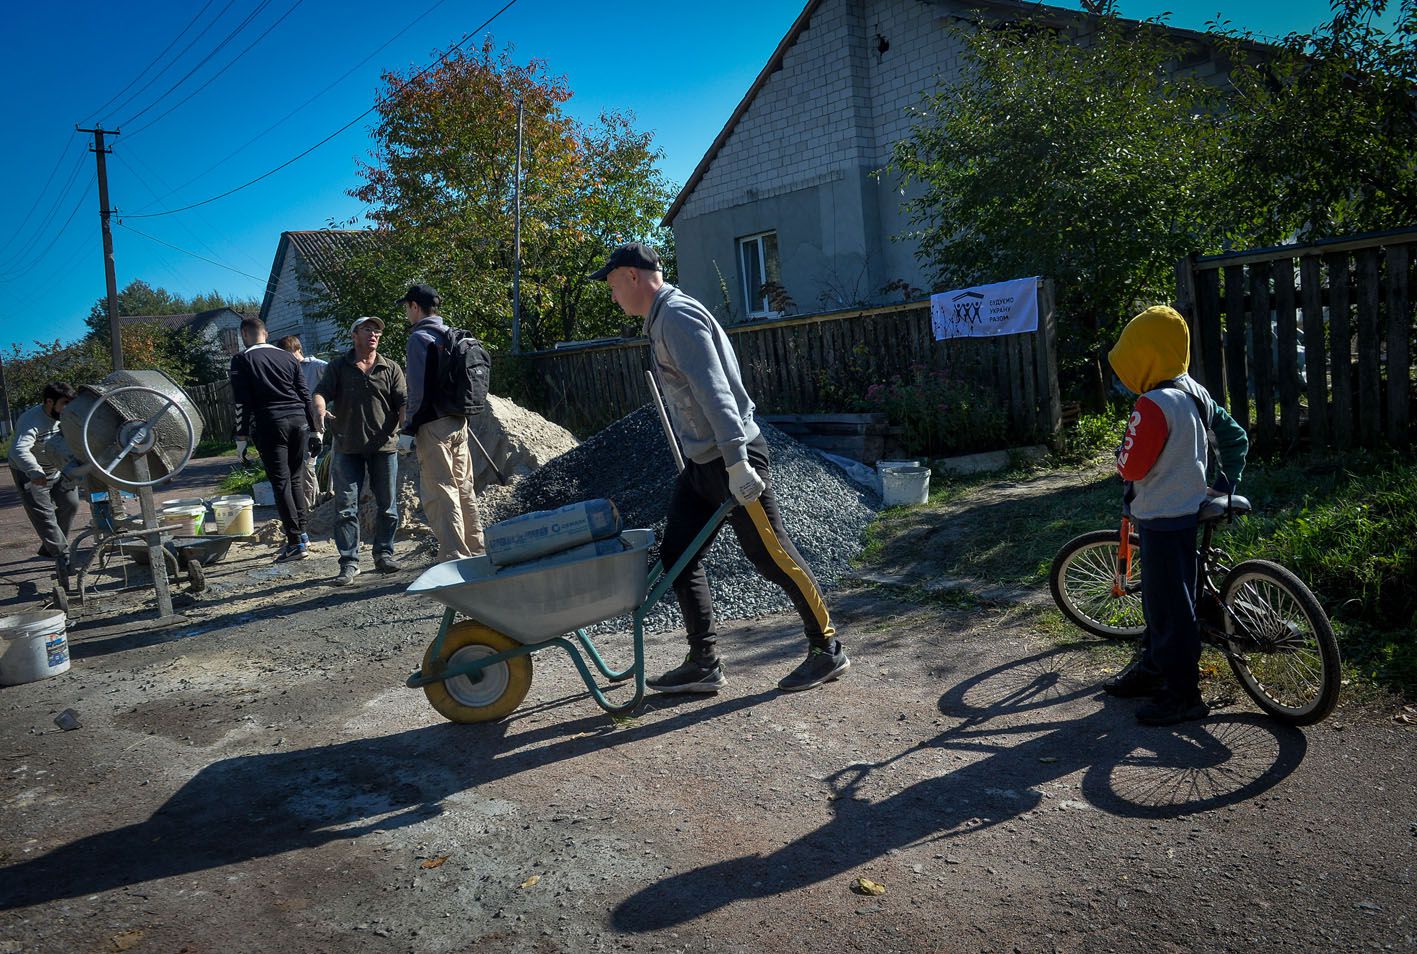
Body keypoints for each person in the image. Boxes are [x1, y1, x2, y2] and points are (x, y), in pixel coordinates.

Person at [591, 242, 849, 694]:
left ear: (633, 276)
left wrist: (737, 462)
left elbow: (716, 395)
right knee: (678, 555)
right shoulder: (662, 320)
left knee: (772, 557)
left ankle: (827, 648)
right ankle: (704, 662)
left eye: (613, 286)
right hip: (702, 465)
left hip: (733, 460)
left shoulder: (677, 317)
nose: (613, 296)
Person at [1103, 305, 1248, 726]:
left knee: (1169, 607)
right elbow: (1234, 438)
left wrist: (1120, 458)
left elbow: (1131, 468)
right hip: (1190, 505)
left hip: (1162, 515)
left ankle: (1182, 694)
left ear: (1144, 356)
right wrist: (1223, 484)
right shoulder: (1193, 391)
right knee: (1169, 595)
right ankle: (1153, 668)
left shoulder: (1151, 404)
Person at [314, 317, 408, 586]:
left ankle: (384, 554)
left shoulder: (390, 368)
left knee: (388, 506)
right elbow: (321, 392)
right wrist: (319, 408)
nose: (374, 334)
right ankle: (349, 563)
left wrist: (407, 431)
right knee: (345, 508)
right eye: (367, 329)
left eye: (377, 330)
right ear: (354, 335)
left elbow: (402, 402)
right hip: (347, 447)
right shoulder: (338, 367)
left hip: (385, 447)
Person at [398, 283, 485, 562]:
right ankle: (476, 549)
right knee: (464, 488)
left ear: (414, 306)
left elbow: (418, 390)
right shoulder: (451, 334)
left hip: (433, 426)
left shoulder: (419, 338)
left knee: (441, 490)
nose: (406, 313)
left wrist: (409, 428)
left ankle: (454, 556)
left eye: (407, 307)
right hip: (459, 422)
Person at [230, 317, 321, 562]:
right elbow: (305, 394)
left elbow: (242, 401)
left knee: (281, 482)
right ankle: (303, 535)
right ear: (266, 333)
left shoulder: (242, 359)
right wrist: (314, 430)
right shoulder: (289, 358)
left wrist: (241, 437)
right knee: (296, 479)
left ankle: (294, 543)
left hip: (271, 423)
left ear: (244, 334)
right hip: (299, 422)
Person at [7, 381, 80, 588]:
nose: (67, 408)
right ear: (49, 401)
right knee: (44, 514)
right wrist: (34, 471)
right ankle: (61, 554)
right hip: (29, 473)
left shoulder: (65, 417)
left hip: (57, 469)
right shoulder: (31, 421)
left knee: (71, 503)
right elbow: (18, 450)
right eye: (64, 403)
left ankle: (52, 546)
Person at [276, 335, 330, 511]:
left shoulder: (316, 366)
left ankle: (311, 507)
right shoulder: (284, 370)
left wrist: (325, 408)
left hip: (312, 422)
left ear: (296, 349)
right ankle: (307, 506)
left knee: (307, 464)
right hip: (293, 423)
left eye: (286, 353)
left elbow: (337, 382)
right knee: (296, 466)